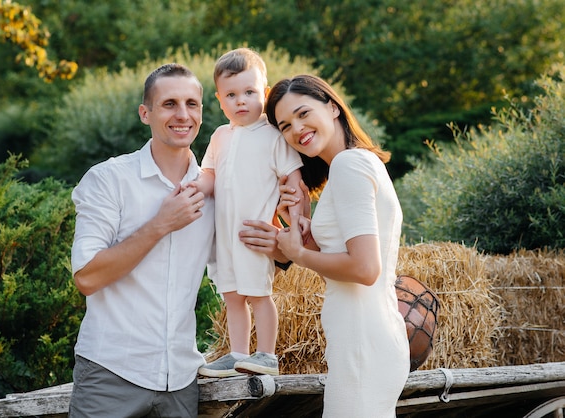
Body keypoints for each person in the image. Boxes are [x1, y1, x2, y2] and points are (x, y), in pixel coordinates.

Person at [68, 63, 215, 418]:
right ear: (145, 113)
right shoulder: (108, 180)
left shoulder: (214, 191)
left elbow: (241, 268)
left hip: (181, 381)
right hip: (110, 374)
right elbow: (87, 277)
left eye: (192, 104)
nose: (183, 115)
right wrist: (161, 224)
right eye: (169, 104)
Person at [263, 74, 411, 417]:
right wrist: (296, 223)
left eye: (303, 113)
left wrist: (298, 253)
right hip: (366, 337)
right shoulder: (353, 165)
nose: (296, 129)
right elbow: (343, 263)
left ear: (332, 107)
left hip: (363, 343)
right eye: (285, 126)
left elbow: (364, 269)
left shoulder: (349, 164)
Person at [194, 48, 304, 378]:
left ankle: (267, 355)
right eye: (231, 94)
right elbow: (209, 176)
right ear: (219, 99)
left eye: (250, 92)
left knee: (258, 294)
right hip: (224, 235)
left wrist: (296, 224)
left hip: (256, 233)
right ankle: (237, 353)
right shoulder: (219, 136)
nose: (241, 101)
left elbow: (293, 178)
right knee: (231, 295)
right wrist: (192, 188)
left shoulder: (272, 135)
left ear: (265, 93)